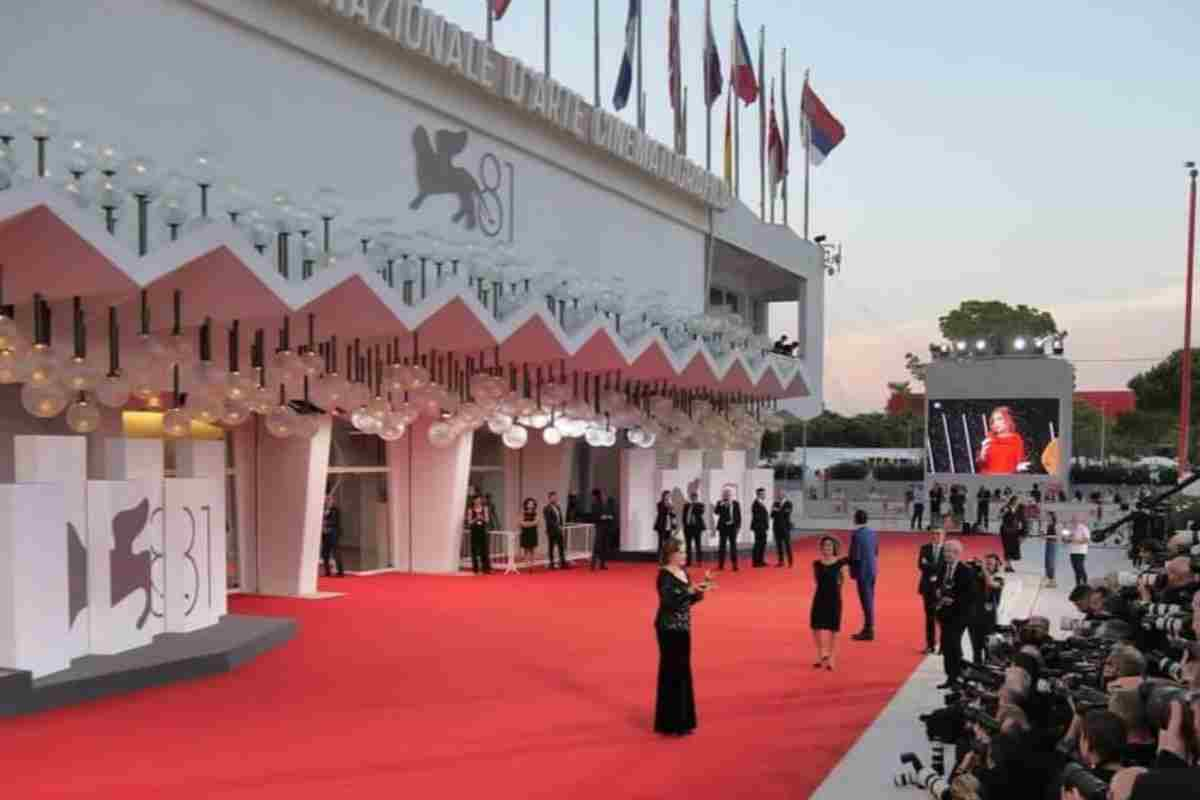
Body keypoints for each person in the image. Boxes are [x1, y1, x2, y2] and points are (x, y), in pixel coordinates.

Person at [653, 539, 712, 736]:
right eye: (683, 552)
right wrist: (688, 591)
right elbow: (669, 601)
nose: (686, 555)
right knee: (671, 671)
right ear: (672, 554)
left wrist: (700, 590)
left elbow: (686, 601)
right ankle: (669, 723)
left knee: (683, 671)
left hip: (683, 627)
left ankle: (684, 721)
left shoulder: (683, 573)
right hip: (668, 628)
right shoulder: (664, 576)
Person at [934, 539, 975, 687]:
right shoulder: (942, 568)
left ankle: (957, 676)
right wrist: (938, 592)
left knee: (953, 644)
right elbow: (938, 584)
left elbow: (970, 594)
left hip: (959, 615)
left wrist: (953, 601)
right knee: (946, 644)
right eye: (944, 551)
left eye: (948, 551)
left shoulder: (966, 570)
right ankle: (950, 677)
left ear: (957, 553)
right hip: (944, 614)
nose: (945, 554)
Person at [810, 535, 851, 671]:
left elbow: (844, 581)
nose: (827, 548)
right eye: (825, 545)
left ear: (834, 548)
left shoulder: (840, 564)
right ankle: (822, 653)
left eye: (829, 546)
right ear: (821, 548)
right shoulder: (816, 564)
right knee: (815, 626)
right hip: (819, 598)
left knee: (834, 629)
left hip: (834, 599)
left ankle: (832, 657)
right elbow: (816, 581)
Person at [967, 553, 1004, 664]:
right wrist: (971, 564)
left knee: (989, 650)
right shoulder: (977, 575)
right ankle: (977, 673)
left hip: (989, 620)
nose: (988, 566)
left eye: (990, 564)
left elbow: (990, 583)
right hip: (974, 618)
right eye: (986, 563)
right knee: (976, 650)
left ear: (997, 565)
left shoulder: (1000, 578)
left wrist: (983, 568)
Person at [848, 509, 879, 641]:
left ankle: (869, 629)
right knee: (870, 599)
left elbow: (854, 556)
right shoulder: (873, 533)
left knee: (866, 601)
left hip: (862, 571)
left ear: (855, 519)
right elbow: (876, 551)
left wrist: (851, 570)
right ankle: (868, 627)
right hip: (872, 569)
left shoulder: (856, 535)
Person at [917, 525, 946, 655]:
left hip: (941, 589)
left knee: (942, 618)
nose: (936, 536)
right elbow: (920, 565)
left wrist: (929, 565)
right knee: (929, 617)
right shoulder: (924, 548)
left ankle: (943, 645)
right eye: (934, 534)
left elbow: (943, 568)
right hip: (927, 588)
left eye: (939, 534)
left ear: (943, 536)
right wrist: (935, 567)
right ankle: (930, 645)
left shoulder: (947, 550)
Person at [977, 406, 1027, 474]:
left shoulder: (1016, 439)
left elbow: (1019, 464)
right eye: (993, 420)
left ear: (1008, 420)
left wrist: (1023, 467)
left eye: (999, 419)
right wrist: (982, 454)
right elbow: (980, 464)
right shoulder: (989, 439)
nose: (996, 423)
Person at [714, 487, 742, 571]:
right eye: (725, 493)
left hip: (732, 527)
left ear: (731, 494)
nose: (726, 495)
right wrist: (721, 504)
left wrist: (738, 526)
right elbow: (716, 512)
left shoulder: (735, 503)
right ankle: (721, 565)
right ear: (723, 494)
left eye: (728, 493)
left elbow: (738, 515)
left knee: (733, 546)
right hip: (723, 527)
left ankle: (734, 565)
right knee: (722, 546)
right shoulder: (719, 502)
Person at [320, 490, 344, 578]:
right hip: (325, 534)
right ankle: (327, 571)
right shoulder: (322, 510)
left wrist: (325, 522)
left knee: (336, 552)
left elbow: (334, 522)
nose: (327, 502)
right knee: (325, 553)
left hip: (333, 534)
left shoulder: (335, 510)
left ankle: (340, 572)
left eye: (329, 500)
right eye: (326, 500)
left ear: (332, 501)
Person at [466, 494, 492, 574]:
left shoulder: (485, 508)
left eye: (479, 499)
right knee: (474, 550)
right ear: (473, 501)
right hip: (474, 531)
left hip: (483, 530)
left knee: (484, 550)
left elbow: (487, 520)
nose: (478, 501)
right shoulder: (470, 510)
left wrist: (482, 518)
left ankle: (486, 569)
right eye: (476, 500)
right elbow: (469, 522)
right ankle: (475, 569)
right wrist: (476, 519)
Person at [681, 490, 706, 566]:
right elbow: (684, 516)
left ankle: (699, 561)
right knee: (688, 546)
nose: (693, 498)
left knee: (698, 545)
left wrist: (694, 505)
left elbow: (700, 513)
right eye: (692, 497)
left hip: (697, 528)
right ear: (690, 498)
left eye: (695, 497)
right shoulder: (686, 505)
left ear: (697, 498)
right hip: (688, 528)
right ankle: (688, 561)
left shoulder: (700, 505)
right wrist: (684, 525)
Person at [544, 491, 567, 569]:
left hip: (559, 530)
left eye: (556, 497)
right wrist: (557, 526)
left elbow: (560, 518)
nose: (555, 498)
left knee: (561, 546)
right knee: (551, 547)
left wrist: (561, 526)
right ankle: (551, 563)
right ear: (549, 498)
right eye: (553, 497)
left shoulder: (558, 507)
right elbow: (549, 520)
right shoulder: (546, 508)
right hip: (551, 530)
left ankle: (563, 563)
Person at [1064, 514, 1090, 587]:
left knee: (1080, 567)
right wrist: (1066, 539)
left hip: (1081, 551)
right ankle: (1078, 585)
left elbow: (1087, 540)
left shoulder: (1084, 528)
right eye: (1073, 520)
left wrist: (1076, 541)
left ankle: (1085, 584)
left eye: (1075, 520)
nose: (1074, 521)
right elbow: (1067, 539)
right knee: (1075, 569)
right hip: (1072, 551)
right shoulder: (1071, 529)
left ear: (1079, 520)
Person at [771, 489, 794, 567]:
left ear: (784, 494)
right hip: (776, 527)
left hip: (785, 528)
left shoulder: (789, 503)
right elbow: (772, 515)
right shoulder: (775, 503)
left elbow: (787, 514)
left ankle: (790, 562)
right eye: (778, 494)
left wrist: (777, 510)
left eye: (781, 494)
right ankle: (781, 561)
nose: (779, 495)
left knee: (787, 545)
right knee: (779, 545)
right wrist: (779, 511)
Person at [589, 488, 611, 571]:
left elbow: (609, 513)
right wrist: (602, 517)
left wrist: (609, 516)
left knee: (604, 547)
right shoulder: (595, 504)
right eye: (602, 494)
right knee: (597, 547)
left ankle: (602, 564)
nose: (603, 496)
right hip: (599, 527)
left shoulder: (605, 504)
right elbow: (594, 516)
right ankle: (593, 565)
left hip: (606, 526)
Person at [999, 497, 1021, 573]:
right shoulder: (1006, 508)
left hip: (1013, 531)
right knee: (1007, 548)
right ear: (1013, 501)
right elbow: (1000, 516)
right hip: (1006, 531)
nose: (1018, 502)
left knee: (1011, 548)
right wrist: (1004, 512)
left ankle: (1009, 565)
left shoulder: (1016, 509)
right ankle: (1007, 566)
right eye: (1017, 501)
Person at [750, 487, 770, 567]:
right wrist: (763, 525)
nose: (765, 495)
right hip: (758, 527)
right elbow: (758, 516)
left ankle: (761, 561)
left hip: (762, 527)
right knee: (758, 544)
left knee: (762, 544)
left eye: (764, 493)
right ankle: (756, 562)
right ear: (759, 494)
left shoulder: (761, 502)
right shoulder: (755, 503)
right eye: (763, 494)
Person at [518, 497, 539, 571]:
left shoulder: (535, 513)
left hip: (533, 532)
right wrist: (530, 524)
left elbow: (536, 522)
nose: (531, 505)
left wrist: (527, 524)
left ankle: (532, 564)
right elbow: (520, 523)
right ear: (526, 505)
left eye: (532, 503)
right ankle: (527, 564)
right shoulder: (522, 513)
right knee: (526, 549)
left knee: (532, 549)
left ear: (534, 505)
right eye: (529, 503)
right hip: (525, 532)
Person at [1043, 510, 1060, 588]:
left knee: (1050, 562)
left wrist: (1047, 536)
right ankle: (1049, 578)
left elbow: (1057, 536)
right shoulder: (1048, 525)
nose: (1046, 517)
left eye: (1048, 516)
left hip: (1053, 544)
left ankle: (1053, 581)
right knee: (1047, 561)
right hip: (1048, 543)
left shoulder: (1055, 525)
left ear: (1052, 516)